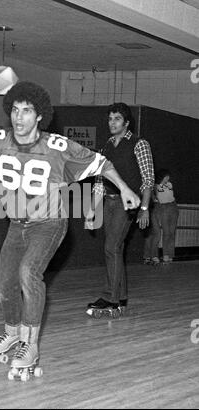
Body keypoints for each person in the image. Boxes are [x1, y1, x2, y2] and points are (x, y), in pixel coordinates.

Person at [0, 82, 140, 379]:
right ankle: (13, 333)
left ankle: (30, 344)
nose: (19, 118)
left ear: (39, 116)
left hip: (50, 222)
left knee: (28, 272)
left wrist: (125, 188)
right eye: (15, 110)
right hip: (17, 225)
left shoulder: (57, 147)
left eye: (27, 111)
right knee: (4, 284)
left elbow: (100, 163)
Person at [85, 102, 154, 318]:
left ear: (126, 122)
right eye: (110, 119)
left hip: (129, 204)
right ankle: (121, 297)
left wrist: (144, 208)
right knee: (116, 248)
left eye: (116, 119)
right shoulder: (106, 146)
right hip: (109, 202)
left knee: (111, 247)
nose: (112, 123)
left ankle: (110, 298)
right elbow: (99, 180)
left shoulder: (139, 144)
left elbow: (148, 179)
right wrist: (91, 210)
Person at [143, 168, 179, 265]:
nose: (168, 177)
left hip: (173, 206)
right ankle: (162, 255)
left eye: (168, 176)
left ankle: (170, 255)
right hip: (162, 208)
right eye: (166, 176)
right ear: (162, 176)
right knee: (163, 233)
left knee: (172, 232)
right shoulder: (155, 186)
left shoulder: (170, 184)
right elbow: (153, 198)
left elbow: (170, 195)